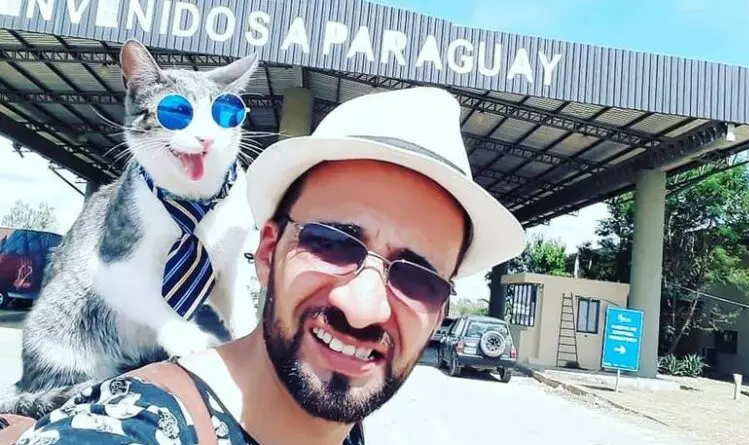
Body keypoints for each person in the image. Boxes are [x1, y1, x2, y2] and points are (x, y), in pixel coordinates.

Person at [11, 86, 526, 444]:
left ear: (438, 315)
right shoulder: (135, 425)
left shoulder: (345, 427)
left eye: (419, 278)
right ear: (268, 252)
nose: (364, 308)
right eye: (332, 243)